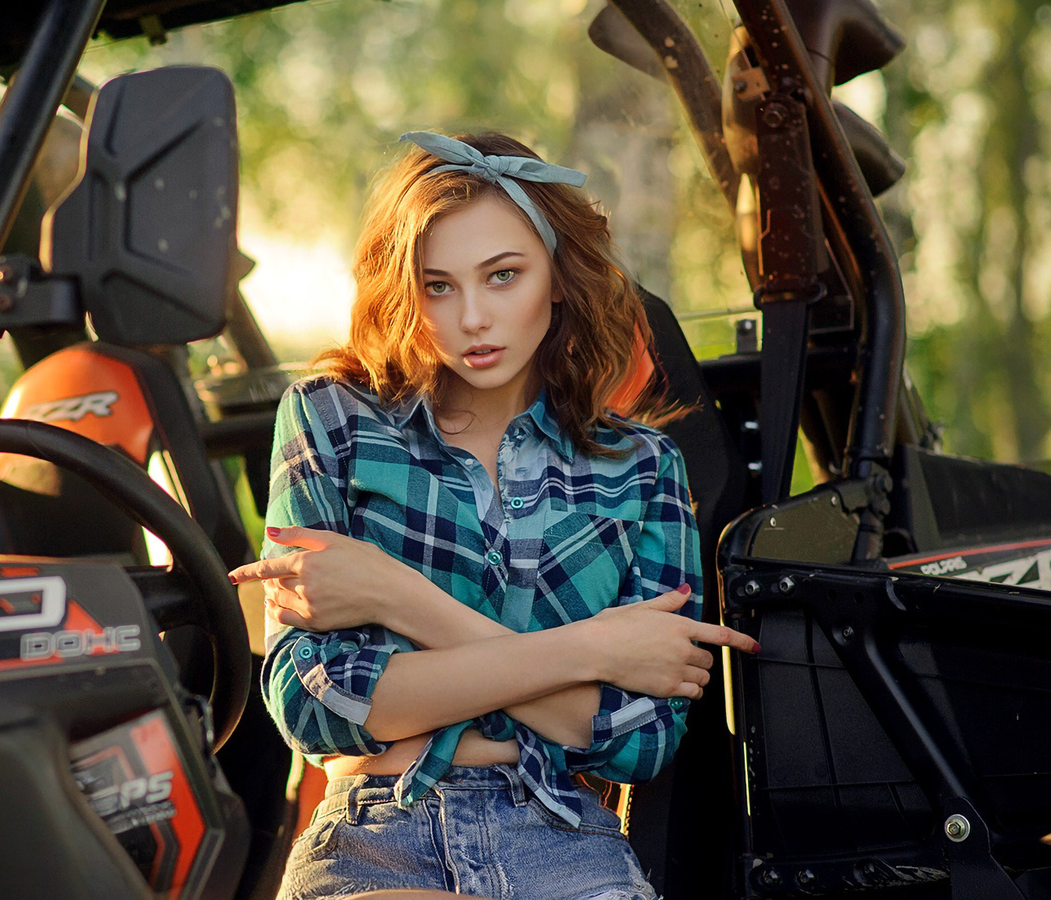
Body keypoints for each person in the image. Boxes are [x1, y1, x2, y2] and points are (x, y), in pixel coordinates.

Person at [226, 131, 761, 900]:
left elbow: (639, 741)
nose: (472, 317)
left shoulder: (642, 466)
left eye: (502, 276)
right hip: (374, 838)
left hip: (565, 840)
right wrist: (593, 651)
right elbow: (315, 703)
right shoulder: (330, 420)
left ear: (558, 277)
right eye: (438, 285)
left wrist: (393, 596)